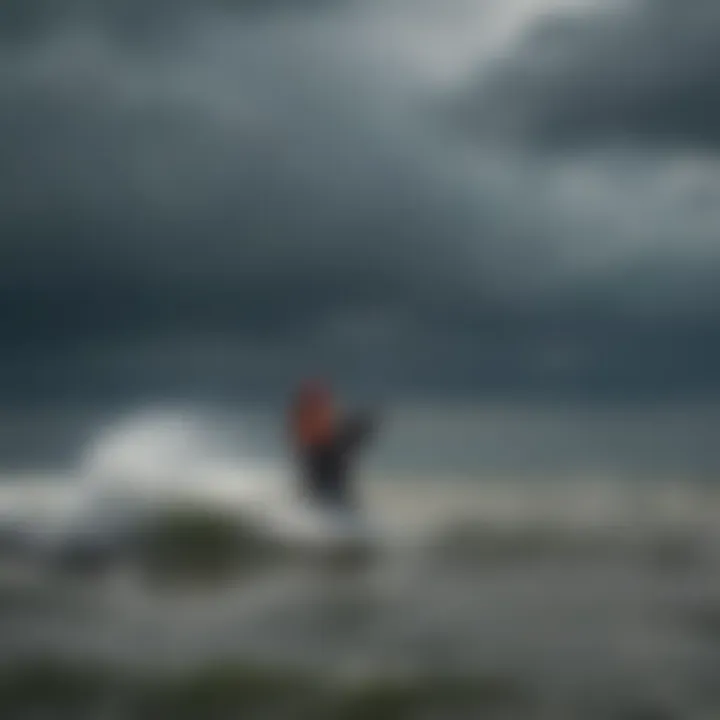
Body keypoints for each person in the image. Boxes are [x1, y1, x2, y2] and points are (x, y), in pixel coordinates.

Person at [288, 380, 377, 512]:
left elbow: (338, 431)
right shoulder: (306, 414)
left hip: (324, 453)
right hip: (320, 455)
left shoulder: (321, 419)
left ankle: (330, 506)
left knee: (329, 488)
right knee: (325, 488)